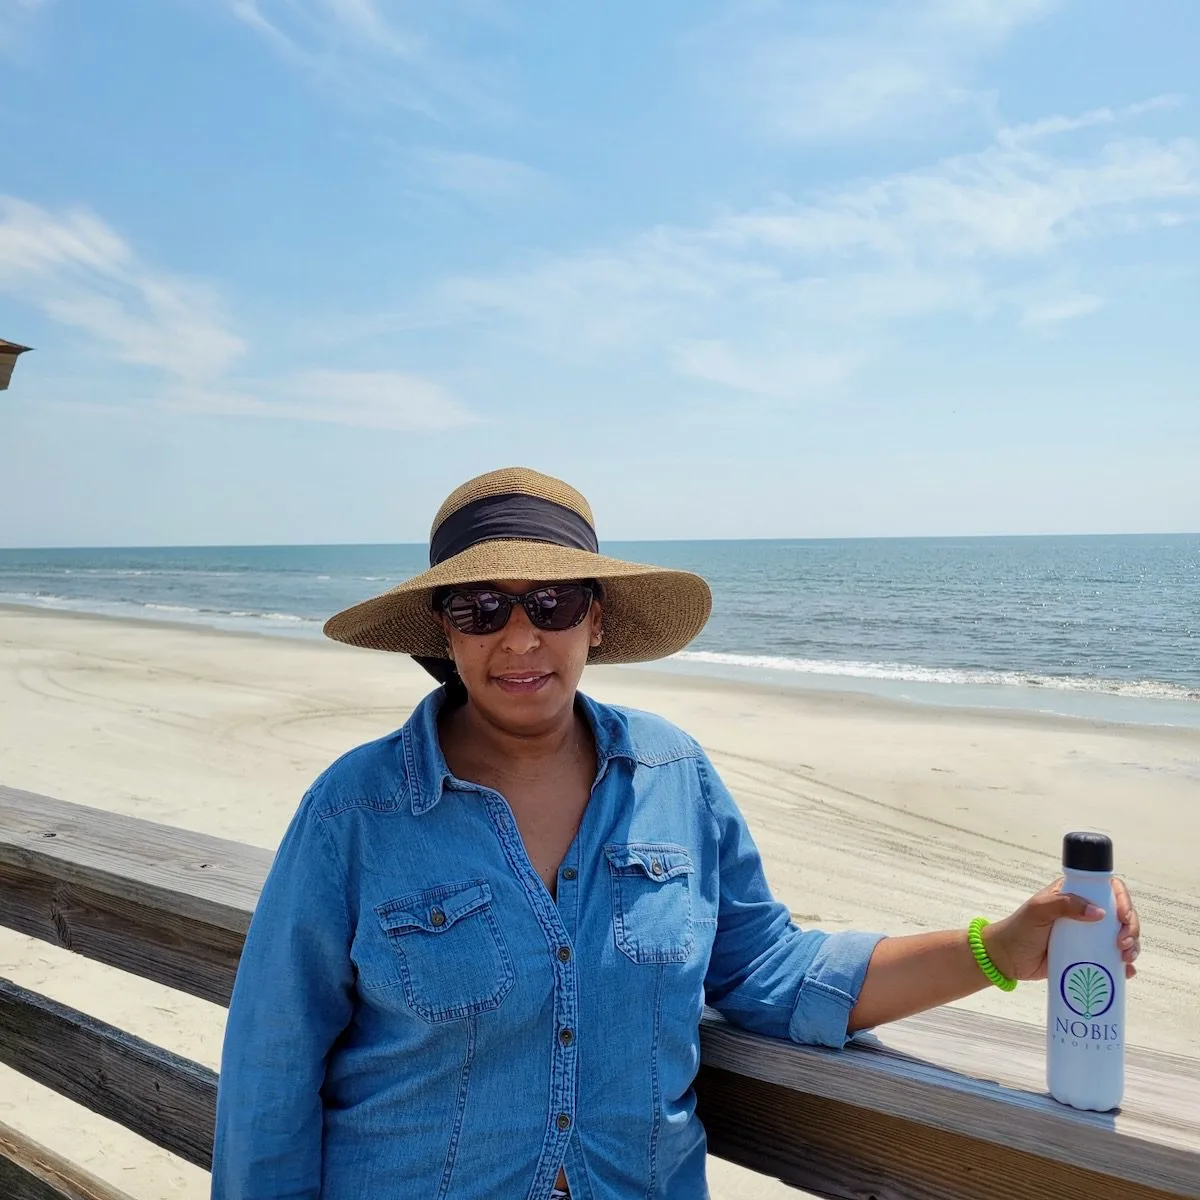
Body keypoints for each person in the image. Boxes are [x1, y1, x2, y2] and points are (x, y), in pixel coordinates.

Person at [211, 467, 1141, 1200]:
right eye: (481, 610)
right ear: (445, 635)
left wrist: (1001, 949)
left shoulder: (673, 776)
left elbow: (772, 971)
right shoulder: (357, 811)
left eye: (553, 603)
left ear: (597, 618)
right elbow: (270, 1072)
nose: (521, 639)